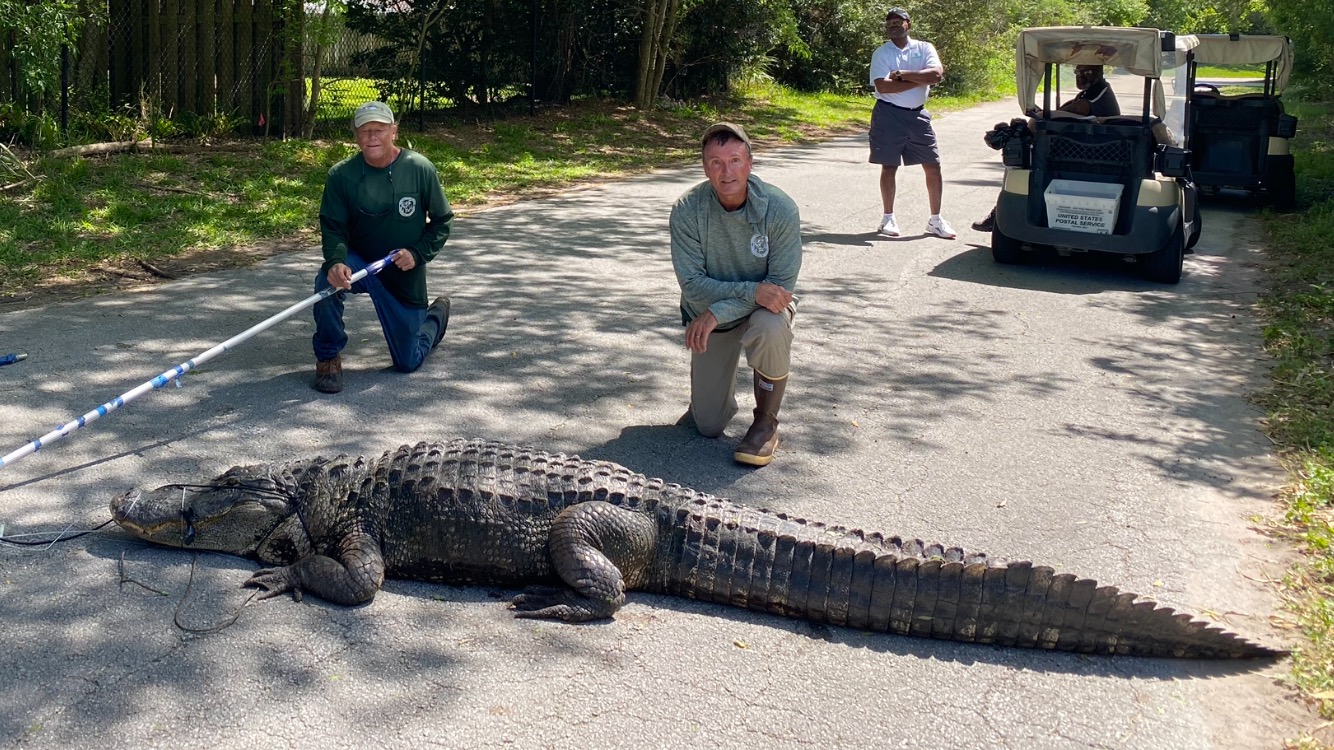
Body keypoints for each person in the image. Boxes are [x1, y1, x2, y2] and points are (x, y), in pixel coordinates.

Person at [670, 123, 802, 467]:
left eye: (734, 160)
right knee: (707, 425)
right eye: (715, 162)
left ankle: (765, 423)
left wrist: (722, 308)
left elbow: (780, 289)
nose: (726, 171)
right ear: (704, 167)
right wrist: (750, 293)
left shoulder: (779, 208)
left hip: (754, 313)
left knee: (772, 325)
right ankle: (710, 401)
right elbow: (693, 285)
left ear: (750, 163)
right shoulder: (687, 209)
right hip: (710, 314)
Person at [311, 101, 454, 394]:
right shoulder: (341, 175)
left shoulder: (419, 169)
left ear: (394, 132)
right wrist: (336, 261)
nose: (371, 136)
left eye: (379, 129)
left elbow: (442, 221)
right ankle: (328, 358)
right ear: (355, 136)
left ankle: (436, 316)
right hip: (360, 262)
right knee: (325, 282)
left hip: (401, 273)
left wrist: (416, 253)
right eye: (364, 131)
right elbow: (333, 227)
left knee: (407, 362)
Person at [972, 65, 1120, 232]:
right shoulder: (1089, 92)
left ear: (1099, 73)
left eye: (1086, 72)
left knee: (1022, 158)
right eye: (1077, 72)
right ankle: (1001, 212)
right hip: (1083, 148)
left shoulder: (1099, 91)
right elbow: (1068, 107)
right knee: (1020, 149)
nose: (1080, 76)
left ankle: (1001, 214)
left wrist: (1043, 117)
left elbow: (1079, 108)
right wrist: (1045, 114)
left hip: (1092, 152)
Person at [868, 7, 955, 240]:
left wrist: (903, 74)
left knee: (933, 165)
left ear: (909, 25)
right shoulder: (882, 53)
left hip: (918, 116)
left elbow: (936, 76)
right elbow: (883, 87)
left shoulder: (925, 48)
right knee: (889, 166)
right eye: (890, 23)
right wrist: (919, 78)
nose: (894, 25)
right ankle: (888, 218)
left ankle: (935, 220)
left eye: (899, 21)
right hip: (888, 114)